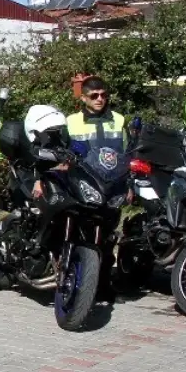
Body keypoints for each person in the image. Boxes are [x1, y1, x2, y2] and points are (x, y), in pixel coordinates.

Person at [66, 75, 128, 303]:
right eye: (94, 96)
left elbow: (126, 153)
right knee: (80, 237)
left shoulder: (119, 120)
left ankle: (103, 287)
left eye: (103, 95)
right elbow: (64, 153)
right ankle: (77, 286)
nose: (100, 99)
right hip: (83, 187)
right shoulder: (71, 121)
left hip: (112, 188)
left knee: (107, 240)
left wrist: (128, 185)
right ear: (83, 98)